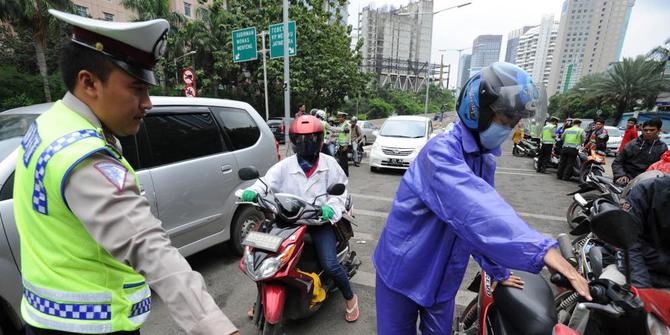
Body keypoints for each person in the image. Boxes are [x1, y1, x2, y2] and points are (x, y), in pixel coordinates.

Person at [13, 10, 238, 335]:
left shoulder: (49, 124)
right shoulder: (85, 158)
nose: (147, 103)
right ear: (88, 82)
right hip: (94, 326)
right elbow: (147, 245)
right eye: (136, 89)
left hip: (44, 317)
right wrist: (219, 329)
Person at [373, 63, 591, 335]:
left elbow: (477, 228)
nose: (509, 129)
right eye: (504, 120)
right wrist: (544, 251)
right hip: (403, 271)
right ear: (478, 112)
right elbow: (477, 211)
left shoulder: (484, 159)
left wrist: (498, 272)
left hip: (443, 278)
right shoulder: (439, 153)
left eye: (514, 123)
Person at [240, 115, 360, 322]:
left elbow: (340, 194)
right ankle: (260, 299)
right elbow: (266, 183)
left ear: (320, 140)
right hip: (287, 221)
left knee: (330, 264)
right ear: (294, 141)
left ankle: (350, 298)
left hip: (317, 223)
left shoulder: (330, 164)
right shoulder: (284, 166)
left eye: (311, 139)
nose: (306, 144)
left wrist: (330, 209)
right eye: (301, 139)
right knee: (262, 256)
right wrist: (251, 192)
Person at [621, 172, 670, 288]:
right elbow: (629, 242)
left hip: (666, 278)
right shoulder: (647, 190)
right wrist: (643, 289)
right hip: (635, 266)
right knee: (601, 293)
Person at [612, 118, 668, 185]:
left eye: (652, 130)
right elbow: (617, 162)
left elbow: (663, 167)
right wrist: (621, 175)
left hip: (648, 181)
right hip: (627, 178)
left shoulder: (662, 147)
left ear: (659, 131)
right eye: (646, 130)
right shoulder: (632, 144)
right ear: (642, 130)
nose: (648, 132)